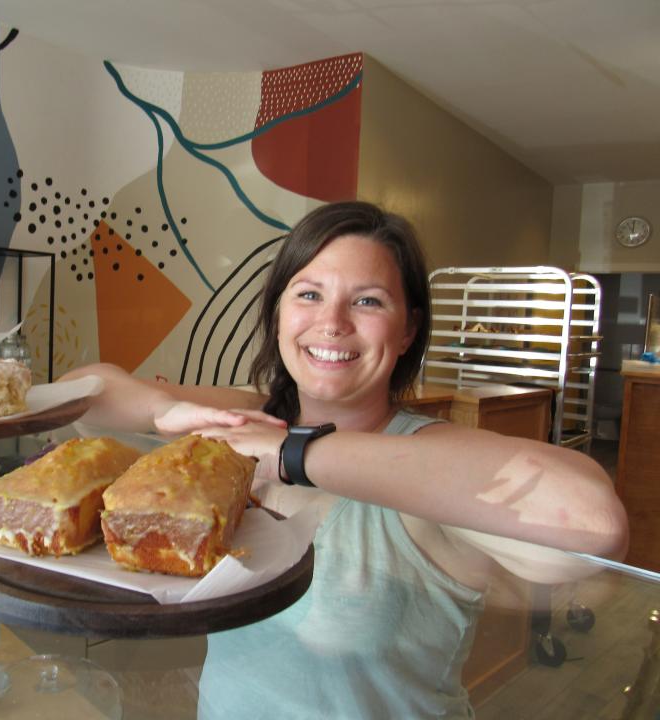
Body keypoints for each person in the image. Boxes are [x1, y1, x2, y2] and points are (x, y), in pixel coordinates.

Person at [60, 201, 628, 718]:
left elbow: (592, 521)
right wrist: (165, 411)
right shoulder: (250, 419)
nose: (332, 322)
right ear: (279, 312)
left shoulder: (418, 457)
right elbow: (79, 391)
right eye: (309, 294)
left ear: (407, 330)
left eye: (368, 300)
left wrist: (296, 454)